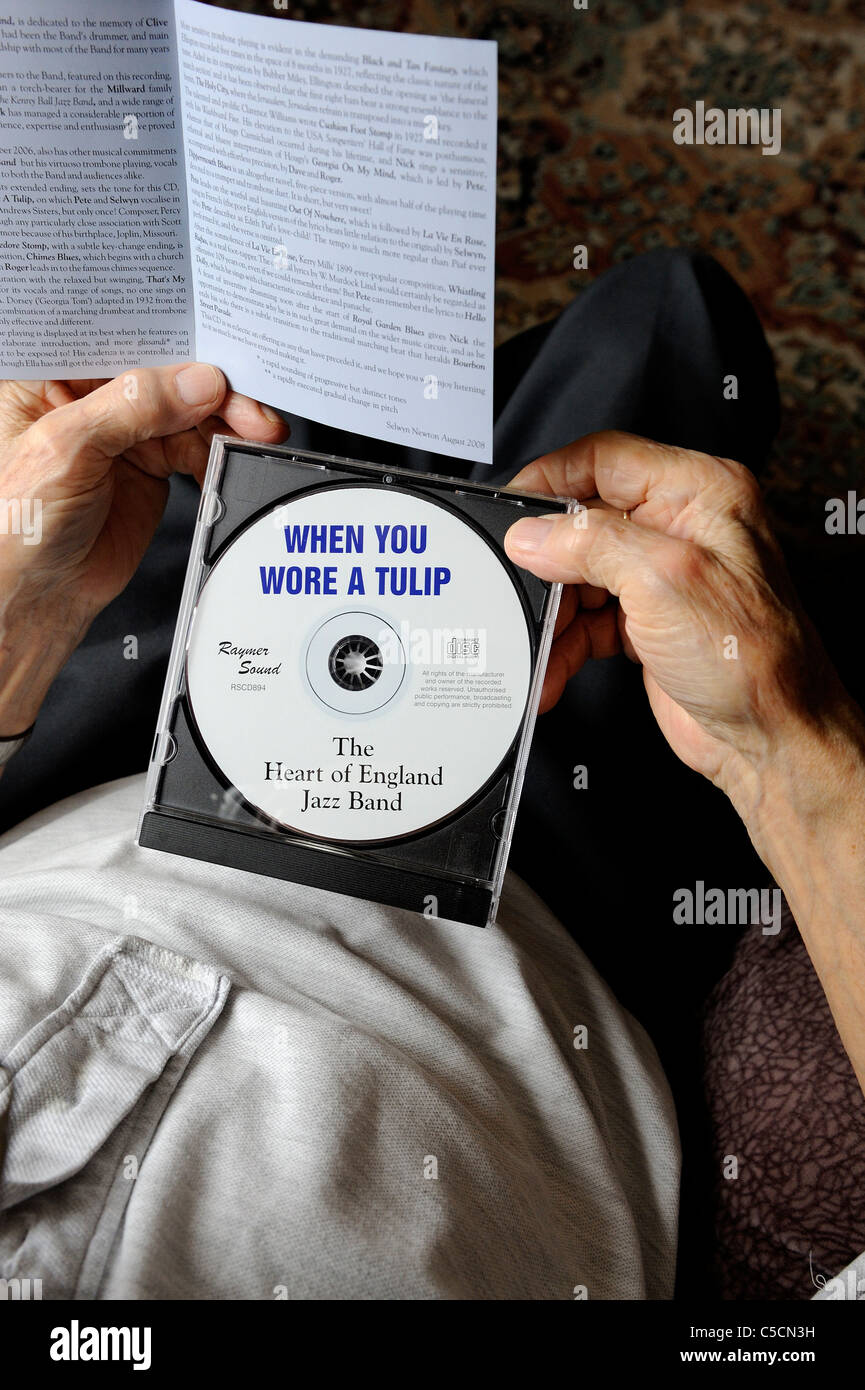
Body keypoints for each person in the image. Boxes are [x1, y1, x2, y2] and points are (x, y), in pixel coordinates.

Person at [0, 251, 863, 1299]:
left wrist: (18, 634)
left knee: (230, 397)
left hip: (93, 766)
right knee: (663, 318)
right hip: (513, 874)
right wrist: (785, 751)